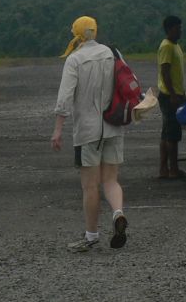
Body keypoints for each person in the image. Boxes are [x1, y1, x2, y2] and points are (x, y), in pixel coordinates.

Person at [51, 16, 129, 252]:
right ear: (95, 31)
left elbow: (65, 97)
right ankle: (118, 214)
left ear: (76, 33)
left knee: (90, 186)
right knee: (111, 180)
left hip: (87, 130)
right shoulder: (110, 53)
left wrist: (58, 129)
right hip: (113, 125)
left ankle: (91, 235)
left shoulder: (75, 59)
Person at [156, 15, 186, 179]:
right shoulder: (167, 46)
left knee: (167, 133)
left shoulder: (176, 46)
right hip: (169, 96)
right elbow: (165, 71)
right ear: (169, 29)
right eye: (177, 28)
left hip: (176, 94)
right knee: (172, 135)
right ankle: (172, 169)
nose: (180, 31)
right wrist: (174, 95)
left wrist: (182, 93)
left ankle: (164, 169)